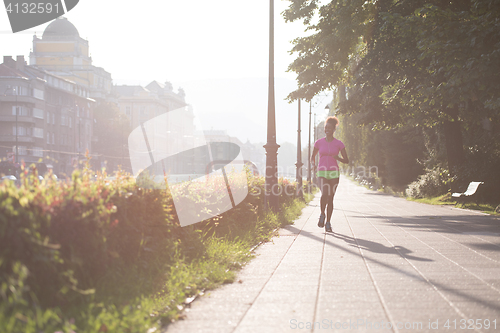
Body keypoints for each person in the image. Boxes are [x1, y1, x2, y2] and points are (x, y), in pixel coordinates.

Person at [310, 116, 349, 232]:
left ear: (333, 129)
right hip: (321, 171)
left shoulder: (339, 144)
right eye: (325, 127)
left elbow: (346, 160)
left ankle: (328, 223)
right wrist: (313, 165)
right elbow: (312, 157)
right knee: (324, 193)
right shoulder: (319, 143)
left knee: (331, 198)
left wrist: (338, 158)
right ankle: (322, 214)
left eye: (329, 128)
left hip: (334, 173)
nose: (326, 129)